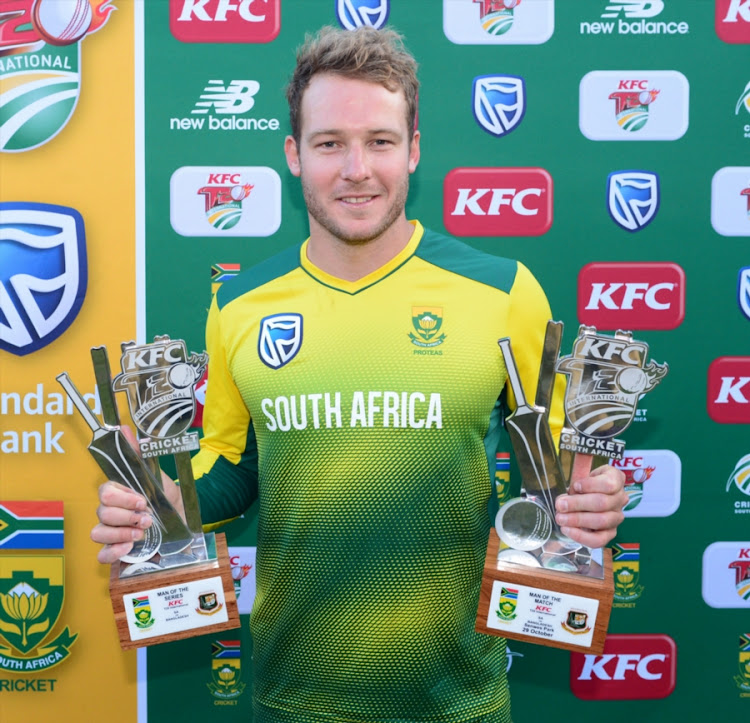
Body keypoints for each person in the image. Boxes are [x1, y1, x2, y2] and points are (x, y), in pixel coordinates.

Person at [93, 26, 627, 723]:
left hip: (457, 700)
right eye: (329, 143)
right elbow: (234, 462)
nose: (356, 168)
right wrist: (164, 499)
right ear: (293, 154)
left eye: (379, 141)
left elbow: (555, 469)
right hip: (294, 696)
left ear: (413, 149)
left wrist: (592, 498)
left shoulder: (504, 291)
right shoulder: (240, 302)